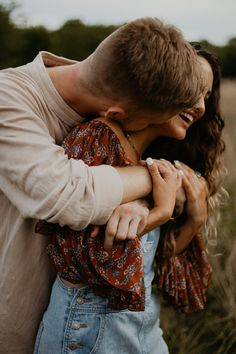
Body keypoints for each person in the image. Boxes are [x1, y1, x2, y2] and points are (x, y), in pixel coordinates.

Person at [0, 17, 205, 353]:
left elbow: (179, 184)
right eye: (150, 123)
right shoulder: (8, 98)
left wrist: (143, 199)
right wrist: (152, 178)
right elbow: (70, 197)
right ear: (116, 112)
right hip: (18, 329)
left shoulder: (122, 95)